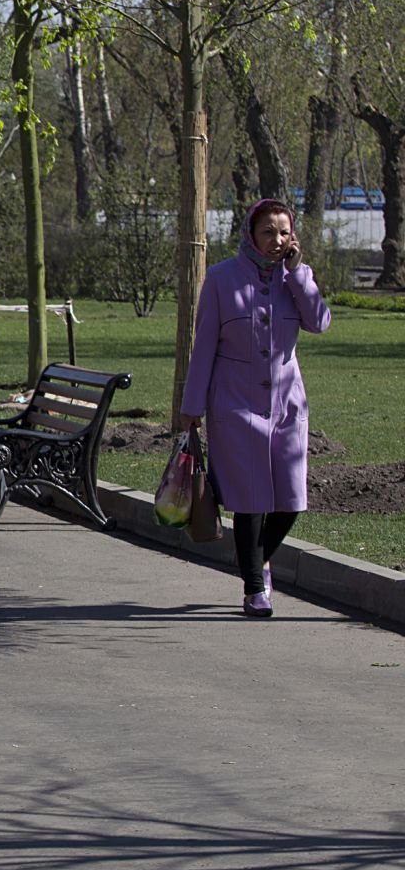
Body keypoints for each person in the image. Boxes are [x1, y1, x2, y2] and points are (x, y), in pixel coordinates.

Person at [176, 197, 331, 617]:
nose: (277, 240)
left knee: (291, 499)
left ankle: (258, 560)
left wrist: (298, 275)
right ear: (250, 233)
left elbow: (319, 321)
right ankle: (253, 588)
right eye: (268, 231)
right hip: (234, 404)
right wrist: (191, 406)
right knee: (249, 500)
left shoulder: (297, 277)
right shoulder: (222, 279)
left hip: (286, 406)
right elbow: (204, 346)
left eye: (284, 232)